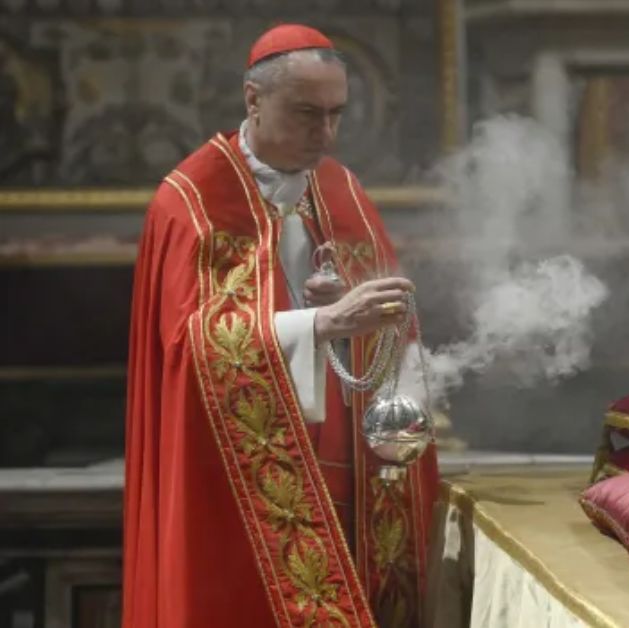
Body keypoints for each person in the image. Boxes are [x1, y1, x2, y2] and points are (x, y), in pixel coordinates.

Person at [124, 24, 437, 627]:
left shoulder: (340, 188)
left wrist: (352, 314)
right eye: (305, 115)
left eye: (336, 115)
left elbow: (385, 322)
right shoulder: (190, 201)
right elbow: (191, 349)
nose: (325, 135)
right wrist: (320, 323)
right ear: (253, 100)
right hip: (232, 478)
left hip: (343, 465)